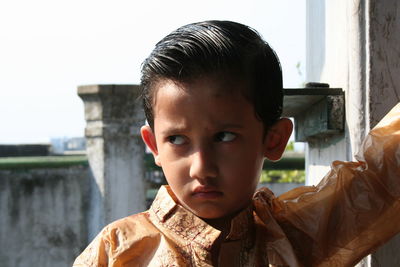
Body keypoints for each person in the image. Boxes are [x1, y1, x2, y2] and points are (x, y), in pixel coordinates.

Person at [73, 21, 400, 267]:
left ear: (273, 140)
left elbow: (381, 175)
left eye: (224, 137)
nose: (202, 168)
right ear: (154, 145)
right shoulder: (118, 251)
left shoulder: (296, 237)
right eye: (177, 140)